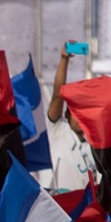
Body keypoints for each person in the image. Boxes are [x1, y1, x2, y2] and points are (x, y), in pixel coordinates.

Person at [44, 42, 96, 192]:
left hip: (84, 211)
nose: (81, 117)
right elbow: (58, 95)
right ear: (67, 115)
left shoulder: (95, 147)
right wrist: (64, 59)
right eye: (76, 112)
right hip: (60, 207)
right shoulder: (58, 129)